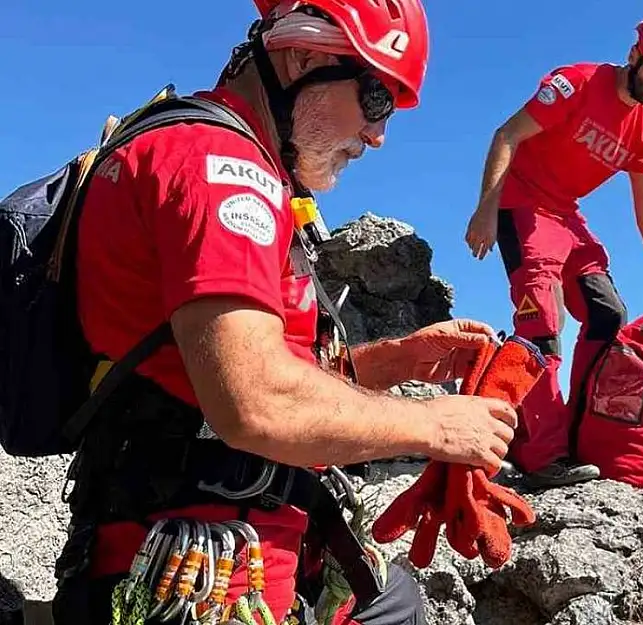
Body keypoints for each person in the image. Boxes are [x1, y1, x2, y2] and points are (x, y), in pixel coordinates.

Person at [49, 1, 521, 623]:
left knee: (398, 602)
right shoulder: (223, 170)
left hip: (251, 545)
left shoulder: (234, 165)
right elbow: (254, 400)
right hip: (193, 576)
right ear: (303, 57)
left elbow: (242, 365)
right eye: (378, 98)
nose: (379, 136)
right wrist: (434, 425)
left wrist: (392, 361)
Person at [463, 4, 643, 489]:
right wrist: (487, 207)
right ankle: (540, 453)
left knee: (608, 314)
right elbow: (506, 134)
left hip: (566, 216)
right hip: (522, 205)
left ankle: (577, 432)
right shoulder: (576, 83)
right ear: (634, 54)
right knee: (542, 326)